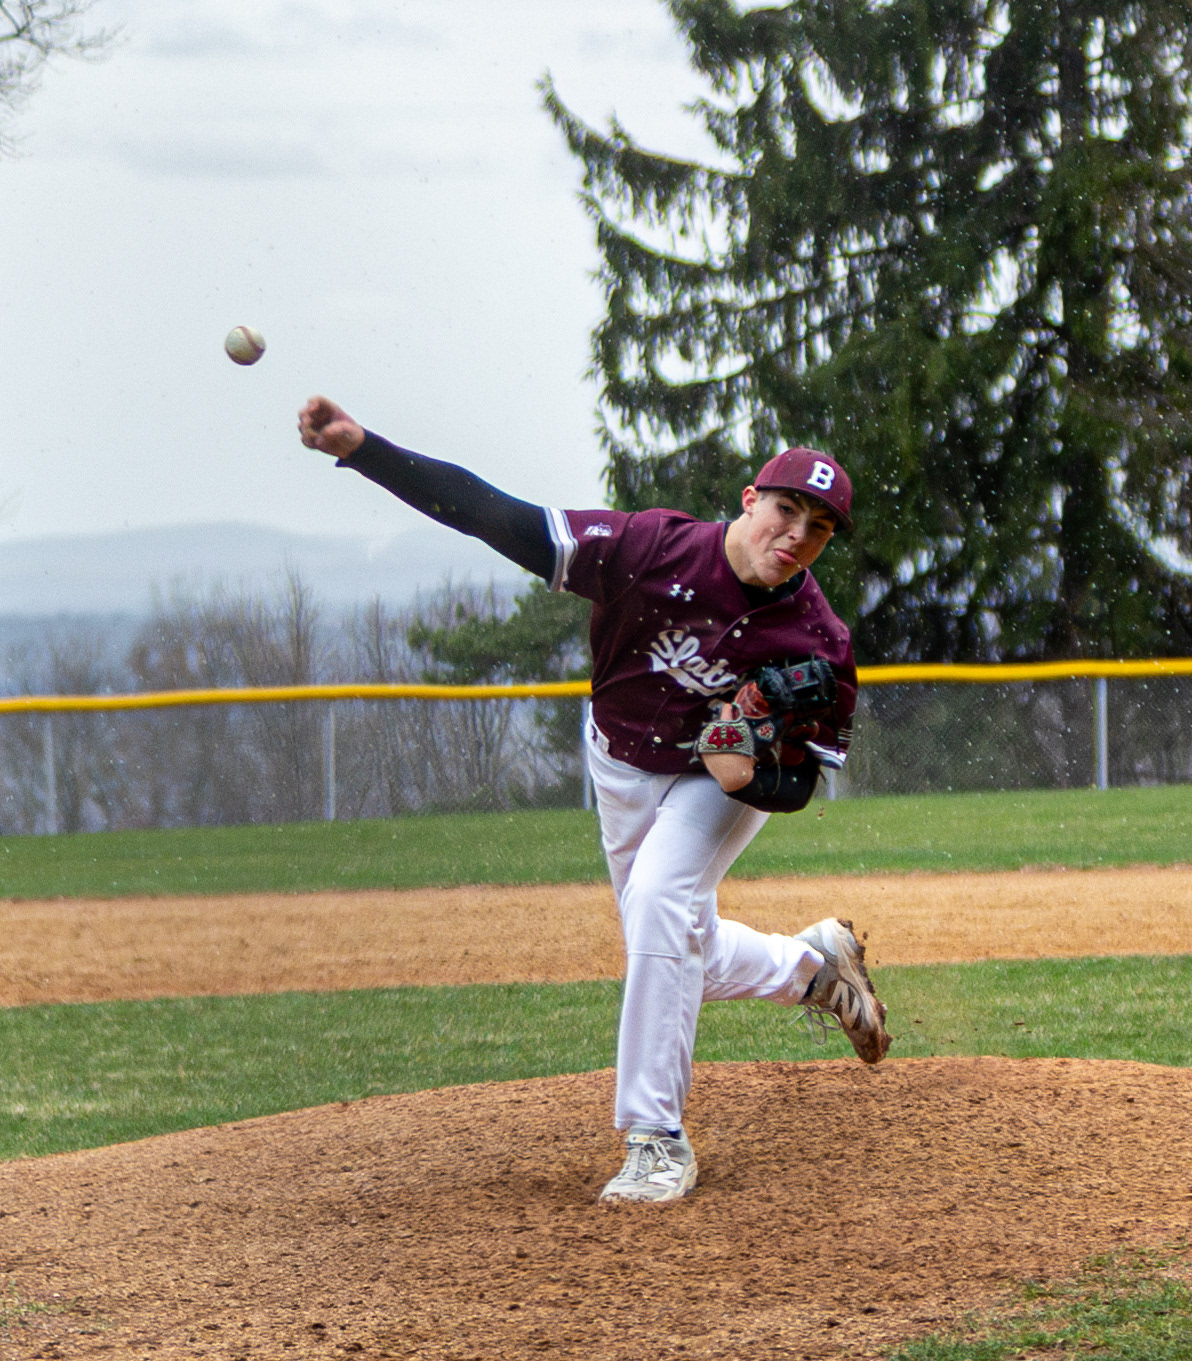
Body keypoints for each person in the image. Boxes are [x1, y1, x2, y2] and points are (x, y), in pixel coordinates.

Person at [298, 395, 891, 1204]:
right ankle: (814, 968)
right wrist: (362, 447)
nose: (796, 535)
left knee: (658, 900)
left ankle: (657, 1138)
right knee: (677, 945)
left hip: (713, 782)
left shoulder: (819, 637)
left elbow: (803, 782)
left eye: (818, 529)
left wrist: (747, 777)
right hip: (619, 761)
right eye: (786, 510)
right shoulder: (650, 547)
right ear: (750, 499)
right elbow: (493, 515)